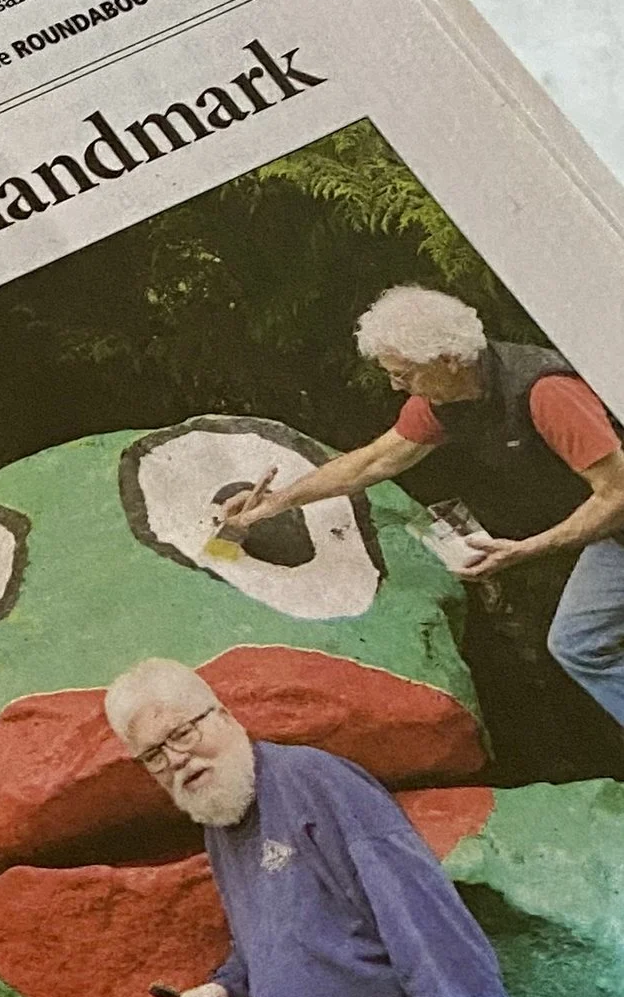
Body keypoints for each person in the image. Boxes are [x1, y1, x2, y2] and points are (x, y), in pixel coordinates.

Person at [101, 657, 551, 997]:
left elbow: (423, 916)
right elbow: (274, 939)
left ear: (223, 714)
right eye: (154, 755)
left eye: (181, 733)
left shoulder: (315, 783)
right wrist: (228, 993)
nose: (176, 760)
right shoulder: (222, 819)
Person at [220, 287, 624, 738]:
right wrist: (277, 502)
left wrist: (528, 549)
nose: (396, 386)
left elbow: (616, 495)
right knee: (578, 644)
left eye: (405, 374)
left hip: (616, 513)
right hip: (615, 536)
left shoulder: (546, 392)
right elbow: (375, 461)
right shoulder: (443, 401)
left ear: (449, 359)